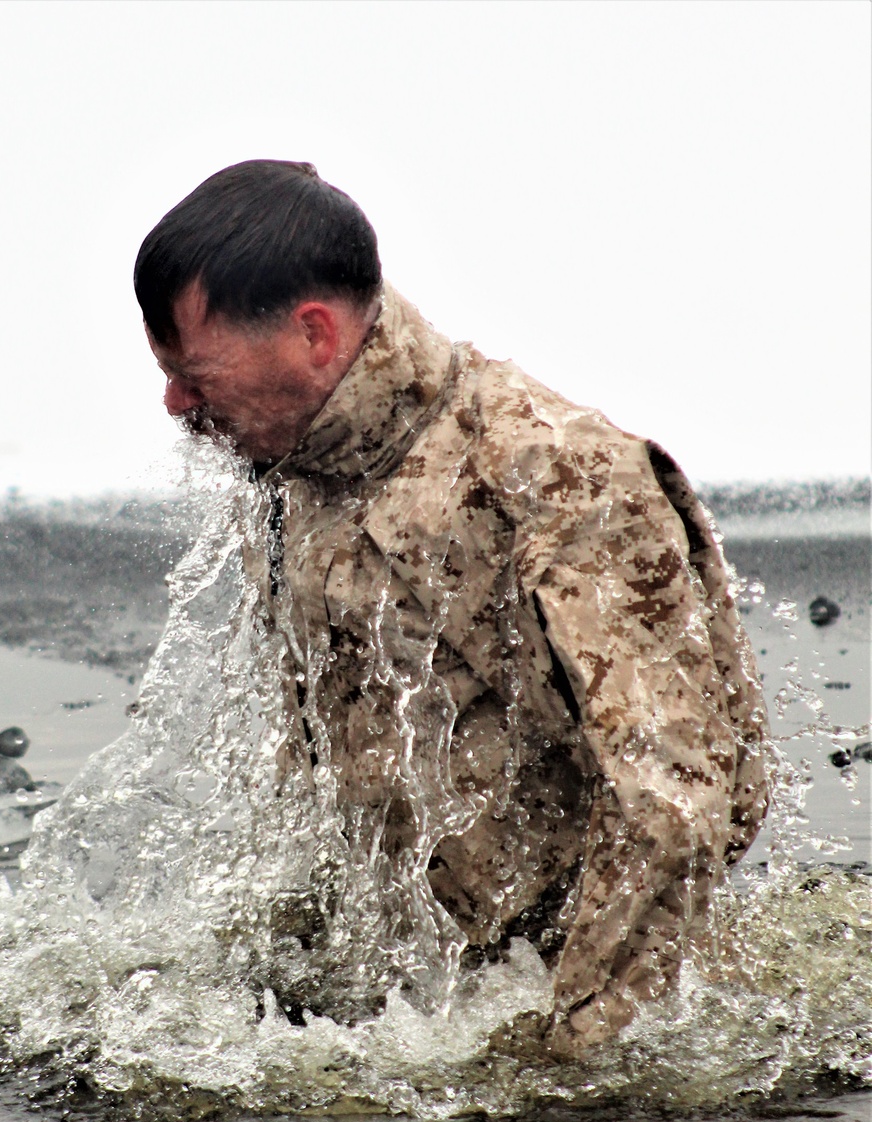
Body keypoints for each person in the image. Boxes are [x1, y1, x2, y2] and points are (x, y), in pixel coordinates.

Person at [134, 159, 770, 1055]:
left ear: (313, 334)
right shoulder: (286, 478)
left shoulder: (557, 475)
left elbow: (676, 806)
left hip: (576, 1012)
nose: (175, 404)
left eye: (194, 372)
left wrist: (564, 1058)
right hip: (415, 996)